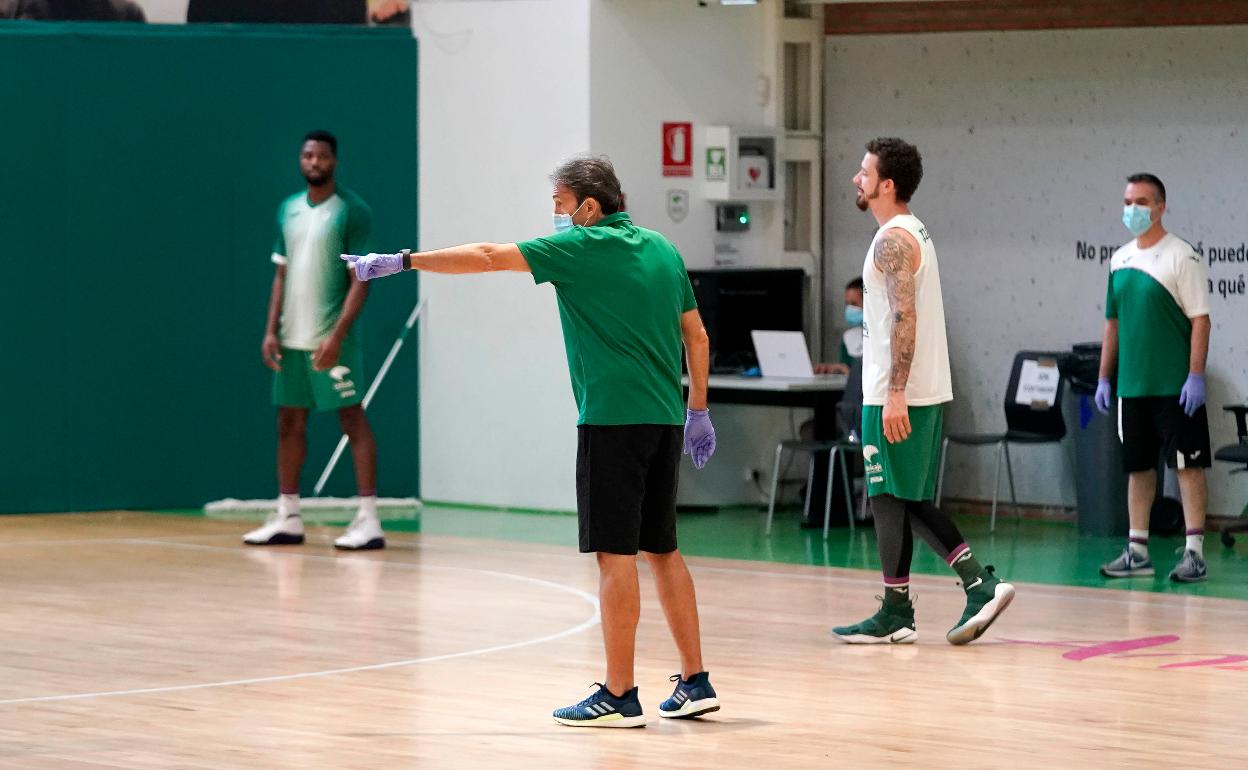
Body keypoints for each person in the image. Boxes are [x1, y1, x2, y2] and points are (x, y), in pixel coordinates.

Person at [342, 156, 721, 727]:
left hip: (611, 423)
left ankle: (620, 695)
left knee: (614, 557)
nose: (556, 219)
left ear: (589, 208)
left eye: (560, 207)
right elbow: (696, 334)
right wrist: (698, 410)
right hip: (665, 421)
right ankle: (695, 682)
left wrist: (403, 261)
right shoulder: (663, 250)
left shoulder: (579, 249)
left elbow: (489, 256)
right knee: (663, 552)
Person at [831, 137, 1015, 645]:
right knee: (889, 498)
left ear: (886, 185)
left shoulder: (892, 240)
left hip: (901, 394)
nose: (856, 179)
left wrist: (894, 394)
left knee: (901, 498)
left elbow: (904, 317)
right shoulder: (911, 232)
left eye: (864, 173)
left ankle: (981, 583)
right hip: (899, 390)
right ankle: (896, 610)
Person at [244, 130, 385, 551]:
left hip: (332, 342)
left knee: (351, 419)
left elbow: (362, 279)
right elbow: (281, 274)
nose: (314, 161)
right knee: (288, 422)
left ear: (334, 162)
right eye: (307, 155)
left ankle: (369, 519)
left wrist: (338, 335)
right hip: (292, 340)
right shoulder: (287, 209)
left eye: (322, 156)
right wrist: (272, 330)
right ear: (300, 161)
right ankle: (287, 515)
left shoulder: (352, 211)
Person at [1095, 173, 1211, 582]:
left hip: (1175, 388)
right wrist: (1104, 377)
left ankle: (1194, 552)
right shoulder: (1119, 259)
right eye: (1128, 201)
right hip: (1132, 388)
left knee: (1187, 467)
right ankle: (1137, 551)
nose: (1133, 210)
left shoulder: (1182, 256)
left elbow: (1201, 320)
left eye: (1142, 202)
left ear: (1161, 206)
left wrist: (1195, 375)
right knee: (1139, 468)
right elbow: (1113, 324)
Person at [814, 277, 864, 375]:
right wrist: (835, 369)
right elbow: (845, 367)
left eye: (854, 304)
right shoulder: (848, 337)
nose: (850, 309)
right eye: (847, 304)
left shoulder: (887, 337)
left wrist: (850, 372)